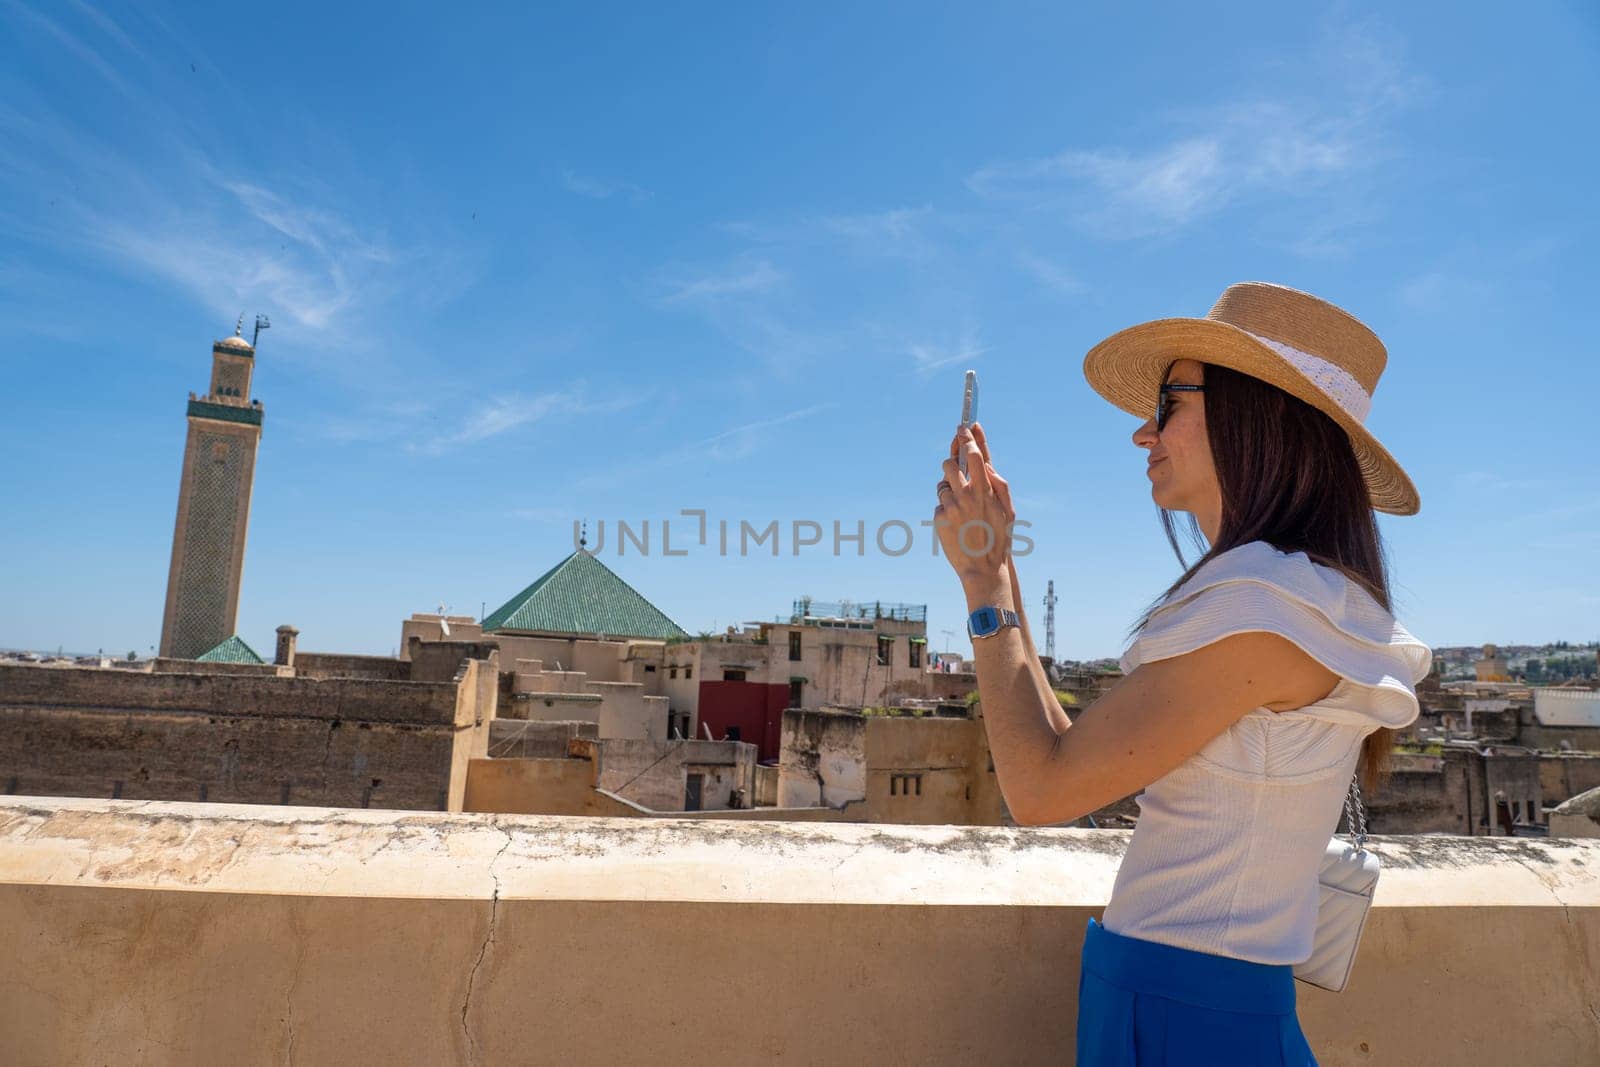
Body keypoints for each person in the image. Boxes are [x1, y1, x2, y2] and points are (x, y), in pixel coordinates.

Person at [933, 282, 1431, 1065]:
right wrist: (993, 567)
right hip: (1200, 1006)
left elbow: (1040, 787)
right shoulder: (1304, 599)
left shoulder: (1265, 609)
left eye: (1170, 401)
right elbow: (1077, 754)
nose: (1143, 431)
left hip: (1183, 1014)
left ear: (1252, 412)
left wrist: (982, 585)